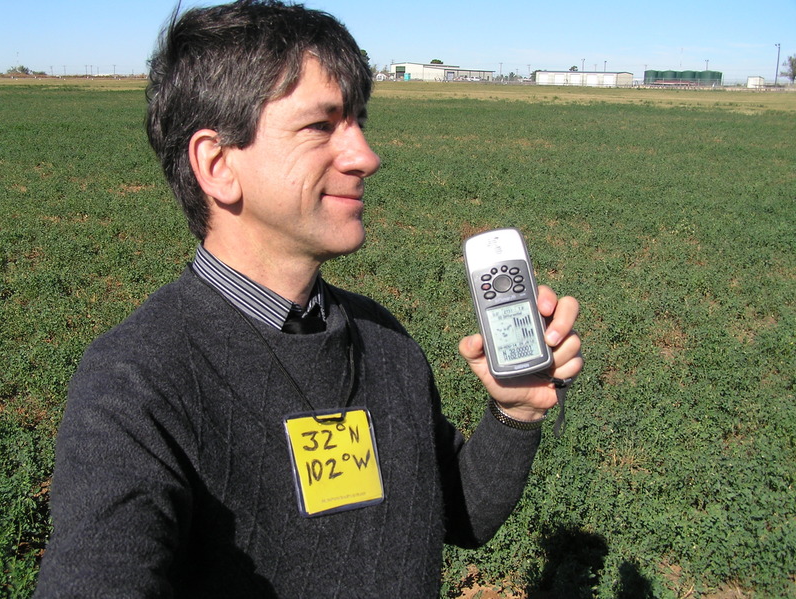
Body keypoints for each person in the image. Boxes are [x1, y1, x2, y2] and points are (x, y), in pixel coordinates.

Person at [34, 1, 583, 597]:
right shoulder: (139, 381)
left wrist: (517, 413)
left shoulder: (383, 340)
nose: (367, 157)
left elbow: (459, 515)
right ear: (217, 165)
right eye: (321, 126)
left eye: (359, 122)